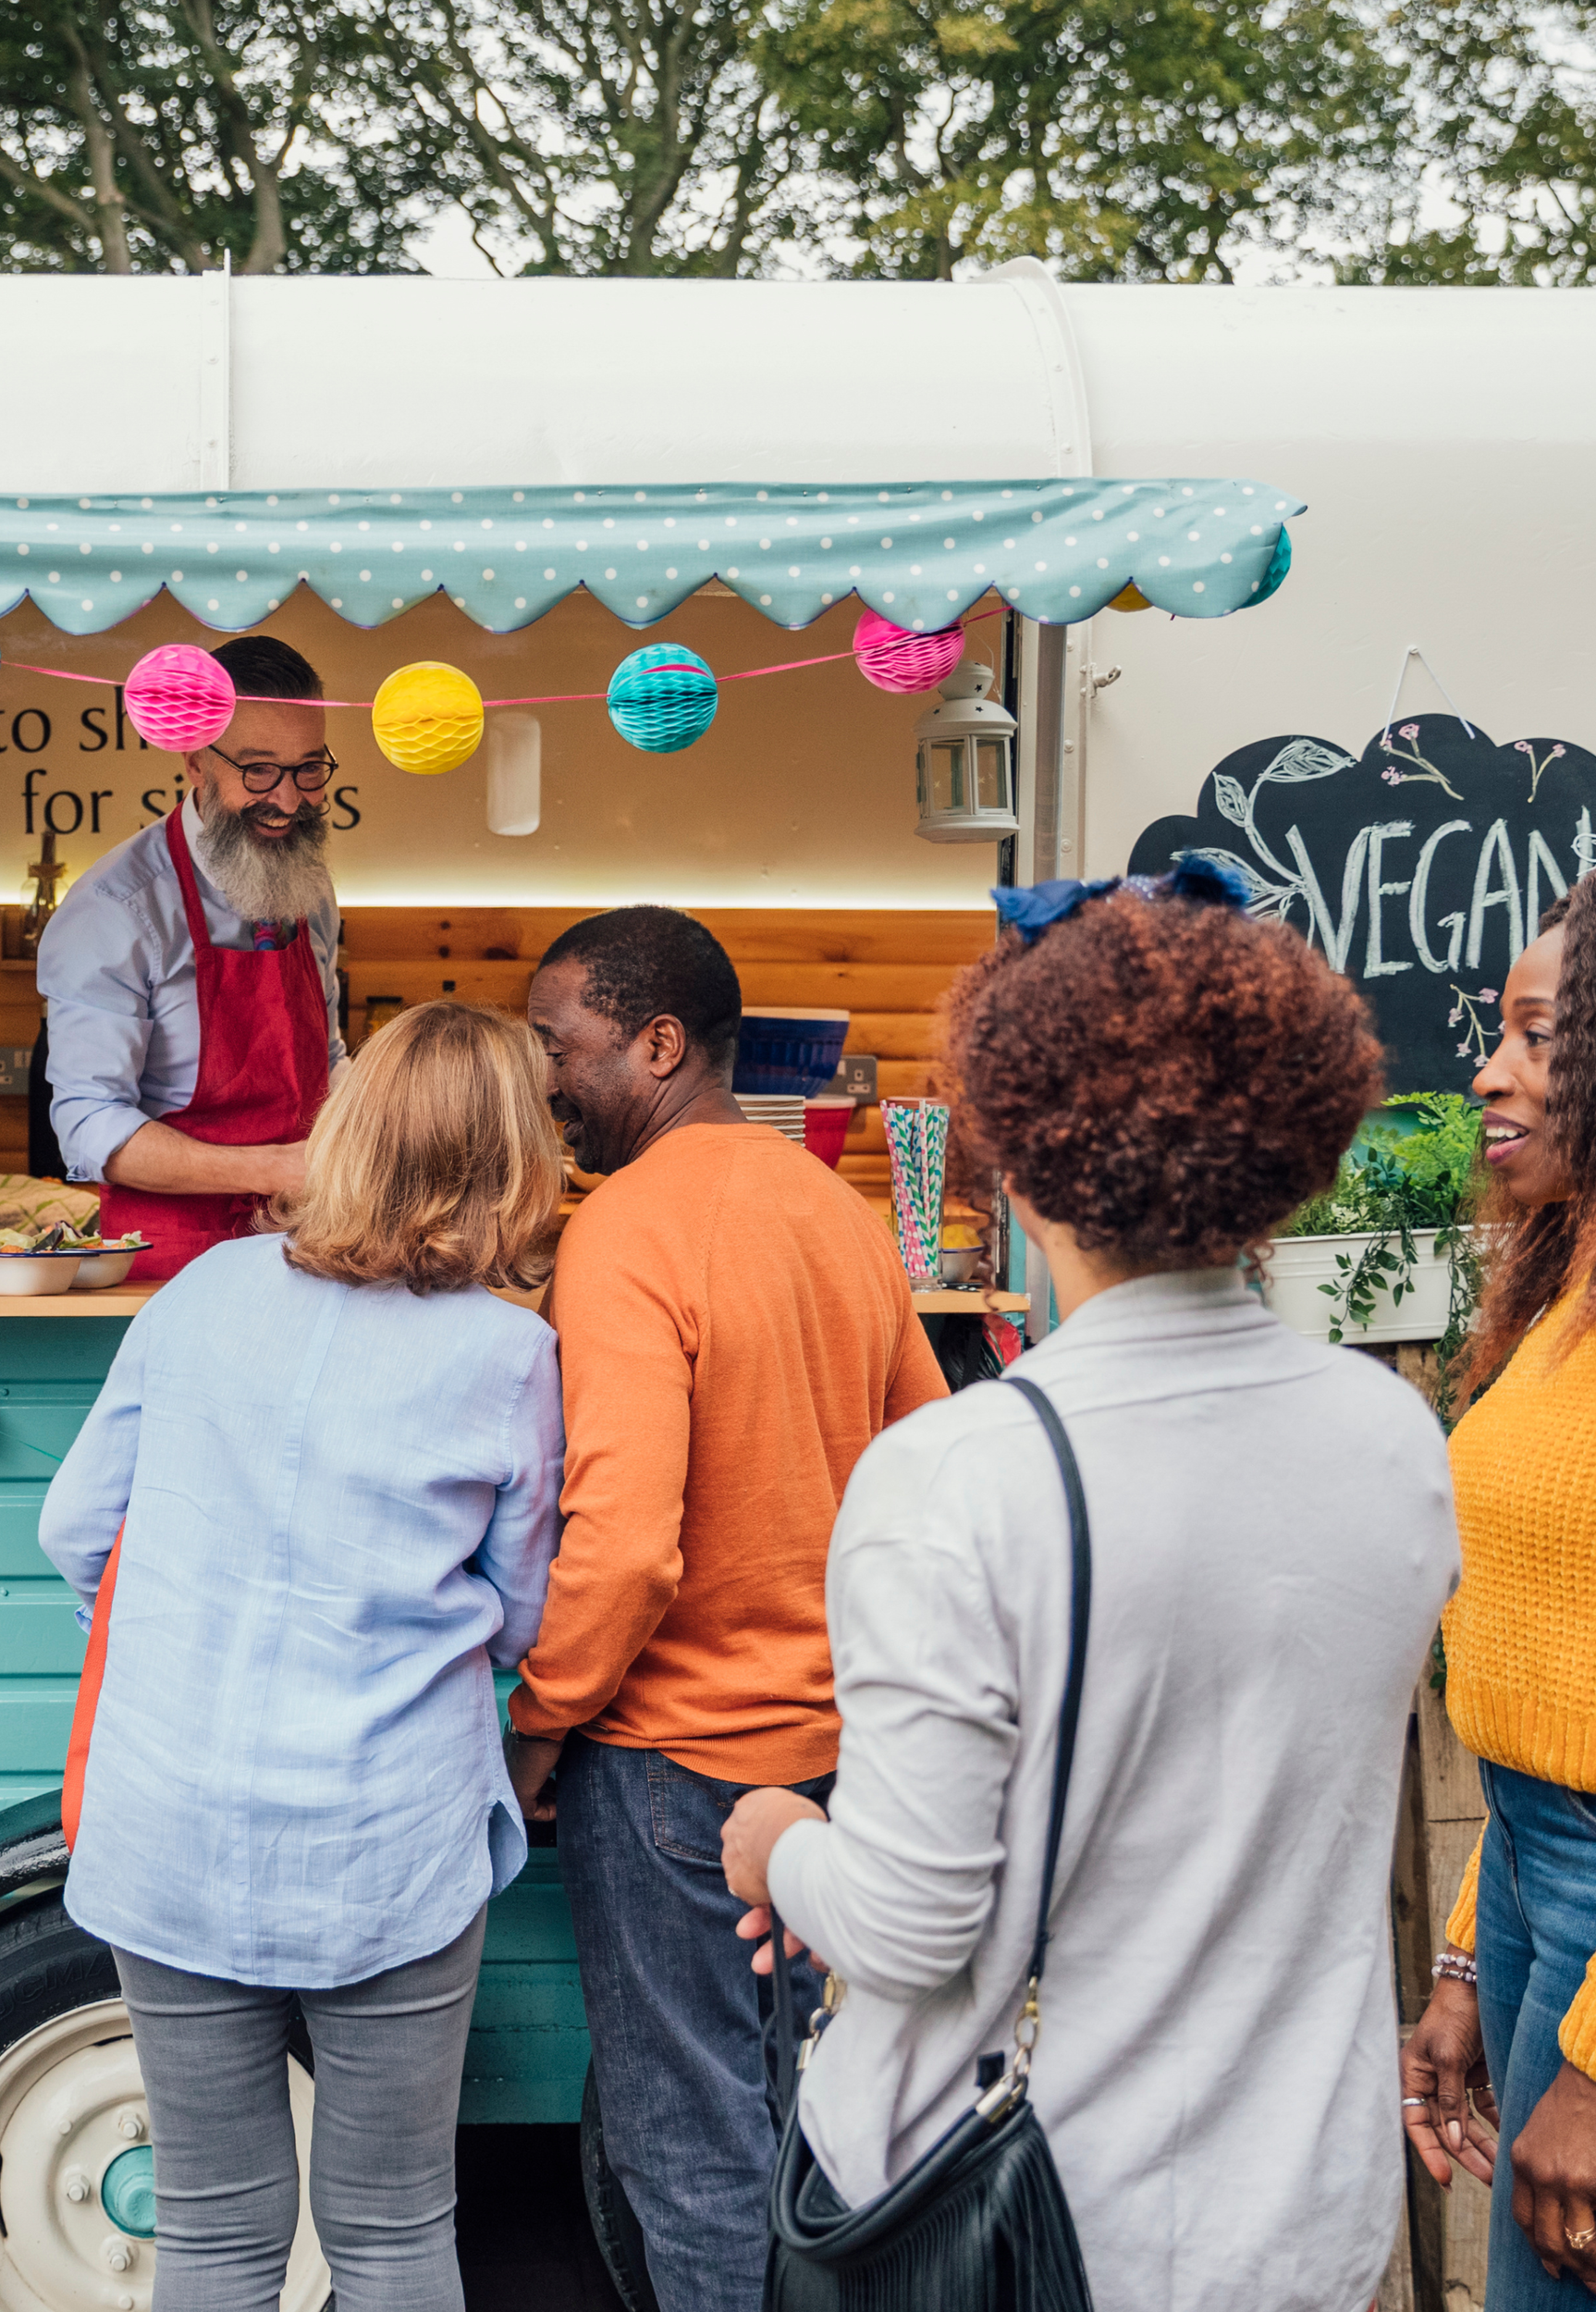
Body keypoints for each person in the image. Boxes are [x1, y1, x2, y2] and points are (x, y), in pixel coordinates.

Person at [718, 864, 1459, 2312]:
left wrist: (779, 1848)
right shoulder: (1395, 1440)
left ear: (1020, 1151)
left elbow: (910, 1927)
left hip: (1028, 2221)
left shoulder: (958, 1475)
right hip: (1306, 2207)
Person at [39, 1000, 565, 2312]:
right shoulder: (513, 1356)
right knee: (392, 2232)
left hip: (167, 1820)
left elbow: (73, 1528)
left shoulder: (204, 1292)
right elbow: (524, 1611)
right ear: (514, 1163)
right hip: (387, 1835)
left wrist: (197, 1614)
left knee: (214, 2236)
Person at [502, 905, 947, 2312]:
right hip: (840, 1763)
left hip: (672, 1768)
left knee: (690, 2153)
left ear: (659, 1041)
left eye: (555, 1045)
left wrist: (537, 1721)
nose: (544, 1078)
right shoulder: (842, 1215)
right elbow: (926, 1480)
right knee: (829, 2135)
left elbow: (625, 1548)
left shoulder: (623, 1232)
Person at [1403, 879, 1596, 2307]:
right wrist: (1469, 1952)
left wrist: (1591, 2067)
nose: (1490, 1069)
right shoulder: (1556, 1292)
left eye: (1539, 1037)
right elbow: (1543, 1678)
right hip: (1535, 1872)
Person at [37, 633, 349, 1281]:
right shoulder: (116, 909)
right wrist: (277, 1168)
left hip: (311, 1244)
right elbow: (90, 1123)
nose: (288, 800)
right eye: (258, 769)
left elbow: (328, 1060)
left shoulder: (309, 884)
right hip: (171, 1266)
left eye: (310, 769)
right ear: (197, 760)